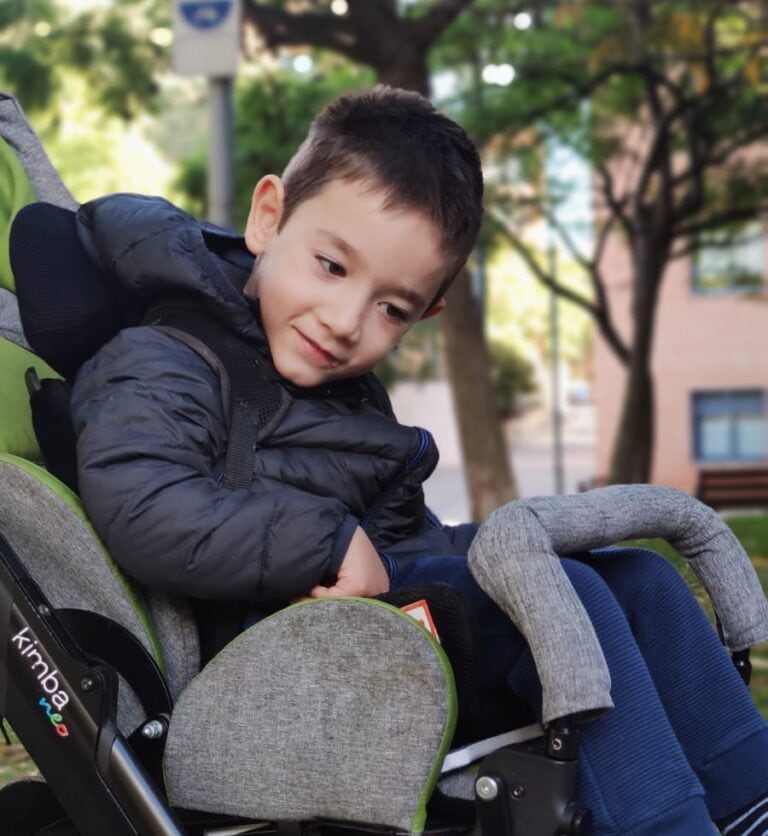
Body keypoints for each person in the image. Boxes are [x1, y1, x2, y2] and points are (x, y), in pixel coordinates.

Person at [68, 86, 768, 835]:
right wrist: (329, 542)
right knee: (566, 600)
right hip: (281, 670)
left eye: (392, 309)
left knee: (637, 577)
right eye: (333, 266)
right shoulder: (165, 360)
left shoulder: (342, 396)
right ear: (269, 217)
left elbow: (412, 547)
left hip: (380, 636)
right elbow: (144, 507)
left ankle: (748, 803)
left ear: (426, 314)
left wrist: (487, 546)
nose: (345, 323)